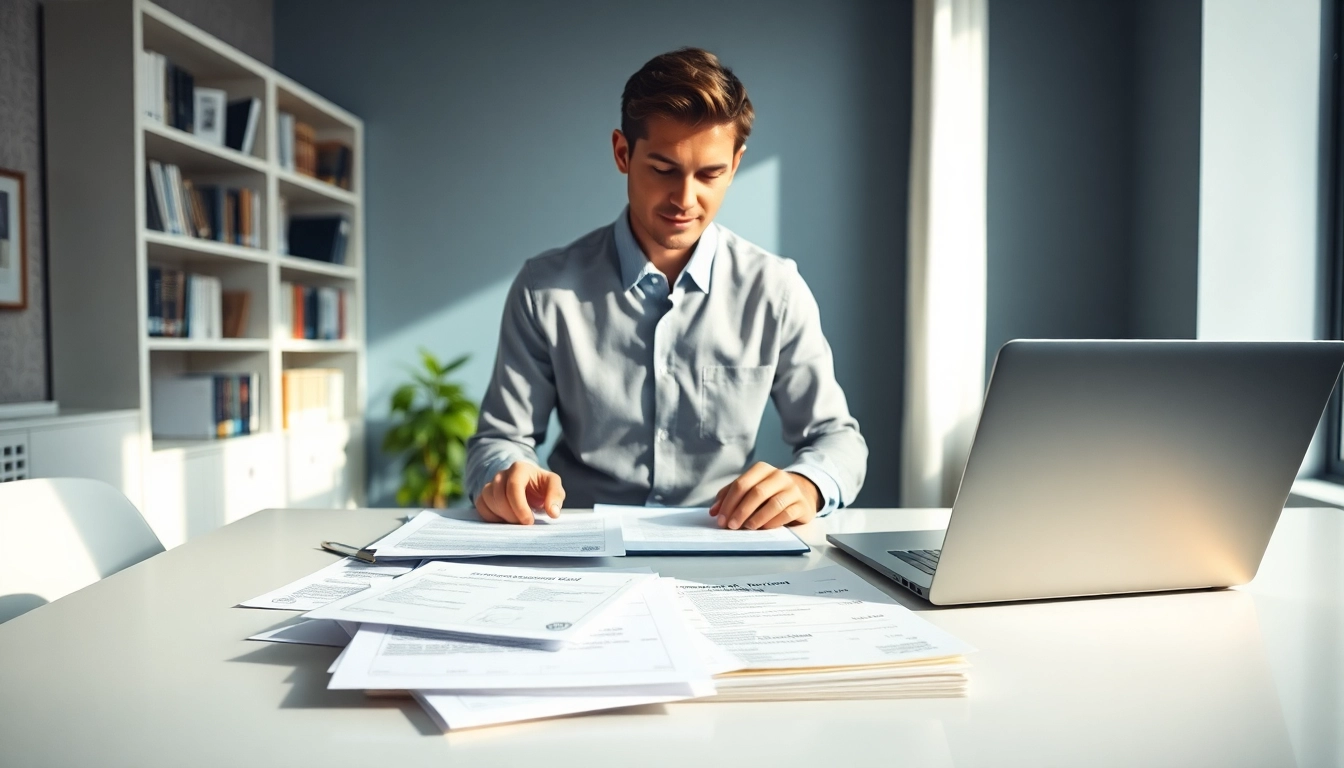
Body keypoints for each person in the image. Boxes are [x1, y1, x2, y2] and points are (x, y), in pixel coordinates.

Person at [466, 47, 867, 530]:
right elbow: (499, 439)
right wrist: (507, 474)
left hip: (722, 539)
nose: (684, 199)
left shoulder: (775, 290)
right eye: (663, 169)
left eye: (710, 174)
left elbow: (837, 438)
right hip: (580, 540)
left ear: (735, 165)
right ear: (623, 153)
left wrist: (807, 484)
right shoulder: (544, 289)